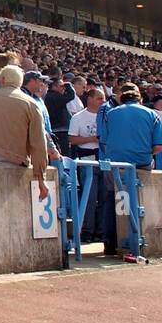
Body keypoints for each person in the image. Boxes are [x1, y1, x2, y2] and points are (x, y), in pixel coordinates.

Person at [96, 82, 162, 255]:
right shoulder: (151, 114)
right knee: (141, 202)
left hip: (115, 165)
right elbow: (159, 146)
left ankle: (110, 243)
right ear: (140, 99)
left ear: (121, 99)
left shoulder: (111, 113)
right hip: (141, 164)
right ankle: (141, 240)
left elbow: (103, 140)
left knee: (112, 200)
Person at [0, 65, 50, 200]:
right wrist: (41, 178)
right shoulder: (32, 103)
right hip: (16, 160)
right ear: (20, 82)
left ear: (2, 80)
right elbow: (38, 144)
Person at [67, 87, 104, 242]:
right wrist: (92, 139)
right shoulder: (78, 118)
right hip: (87, 159)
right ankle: (87, 230)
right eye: (99, 98)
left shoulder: (106, 116)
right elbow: (72, 139)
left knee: (104, 198)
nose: (103, 102)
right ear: (90, 99)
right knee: (89, 197)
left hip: (103, 159)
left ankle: (102, 231)